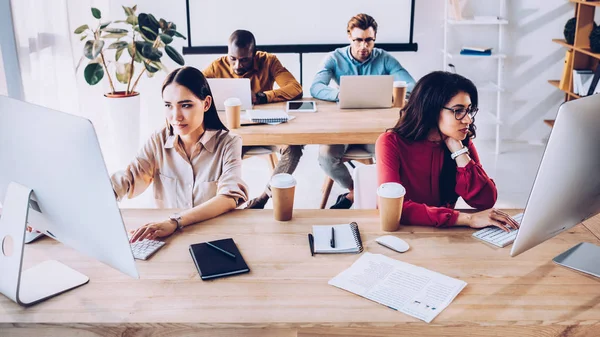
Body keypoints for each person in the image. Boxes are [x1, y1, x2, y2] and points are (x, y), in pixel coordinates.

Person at [111, 66, 249, 242]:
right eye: (168, 106)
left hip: (214, 238)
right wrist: (99, 194)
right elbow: (129, 179)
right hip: (169, 238)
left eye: (186, 105)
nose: (176, 116)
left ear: (206, 104)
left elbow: (229, 198)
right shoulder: (158, 140)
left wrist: (175, 221)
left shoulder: (229, 143)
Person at [375, 71, 519, 231]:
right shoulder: (391, 142)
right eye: (458, 111)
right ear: (431, 110)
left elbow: (485, 201)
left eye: (469, 110)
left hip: (445, 232)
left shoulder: (460, 142)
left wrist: (458, 151)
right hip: (407, 232)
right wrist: (467, 218)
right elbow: (392, 208)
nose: (468, 120)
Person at [310, 13, 416, 209]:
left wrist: (388, 94)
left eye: (369, 40)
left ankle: (352, 197)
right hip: (343, 129)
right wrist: (341, 95)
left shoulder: (384, 59)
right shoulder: (334, 58)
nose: (363, 46)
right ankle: (355, 191)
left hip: (375, 131)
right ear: (349, 36)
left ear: (374, 39)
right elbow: (315, 87)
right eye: (358, 40)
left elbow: (412, 86)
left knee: (399, 154)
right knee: (325, 155)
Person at [203, 30, 303, 209]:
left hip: (269, 128)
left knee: (294, 149)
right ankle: (220, 202)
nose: (237, 66)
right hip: (236, 132)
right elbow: (193, 88)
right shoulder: (217, 66)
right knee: (222, 152)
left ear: (254, 54)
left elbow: (295, 88)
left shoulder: (269, 61)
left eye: (244, 60)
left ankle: (262, 199)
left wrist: (262, 97)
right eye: (232, 59)